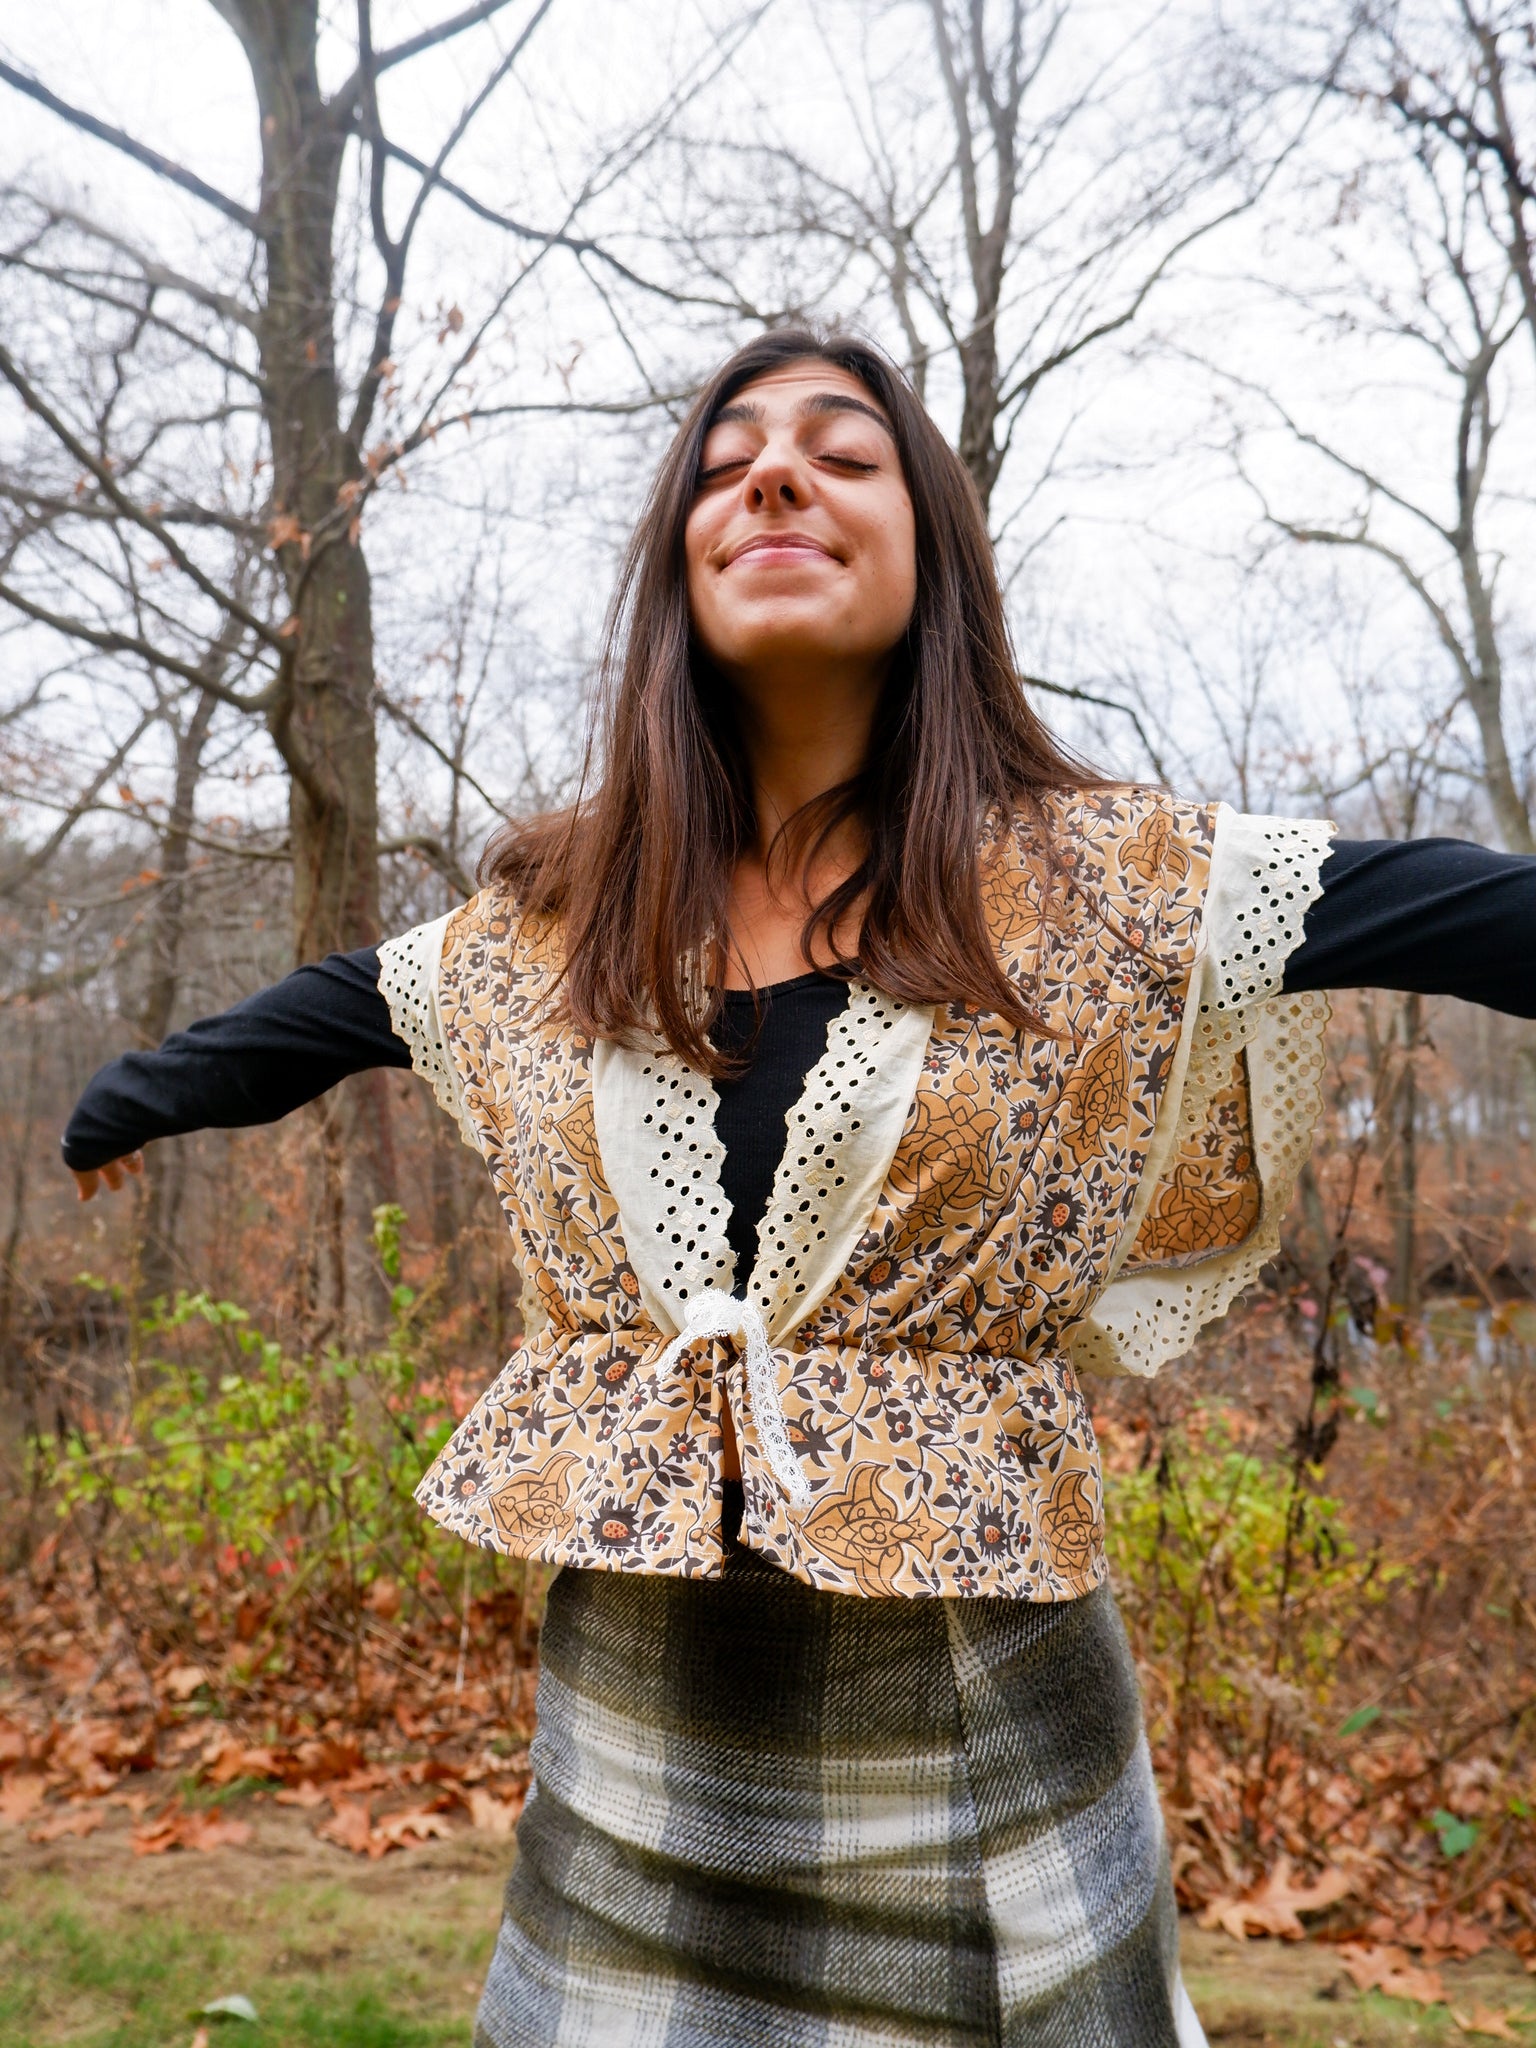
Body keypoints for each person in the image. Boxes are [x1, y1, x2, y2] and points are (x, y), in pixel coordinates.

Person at [64, 328, 1536, 2048]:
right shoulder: (555, 924)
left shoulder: (1117, 882)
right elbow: (342, 1010)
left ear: (933, 551)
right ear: (680, 557)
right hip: (638, 1733)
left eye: (845, 453)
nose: (775, 474)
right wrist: (130, 1101)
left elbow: (1454, 903)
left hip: (982, 1732)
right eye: (728, 455)